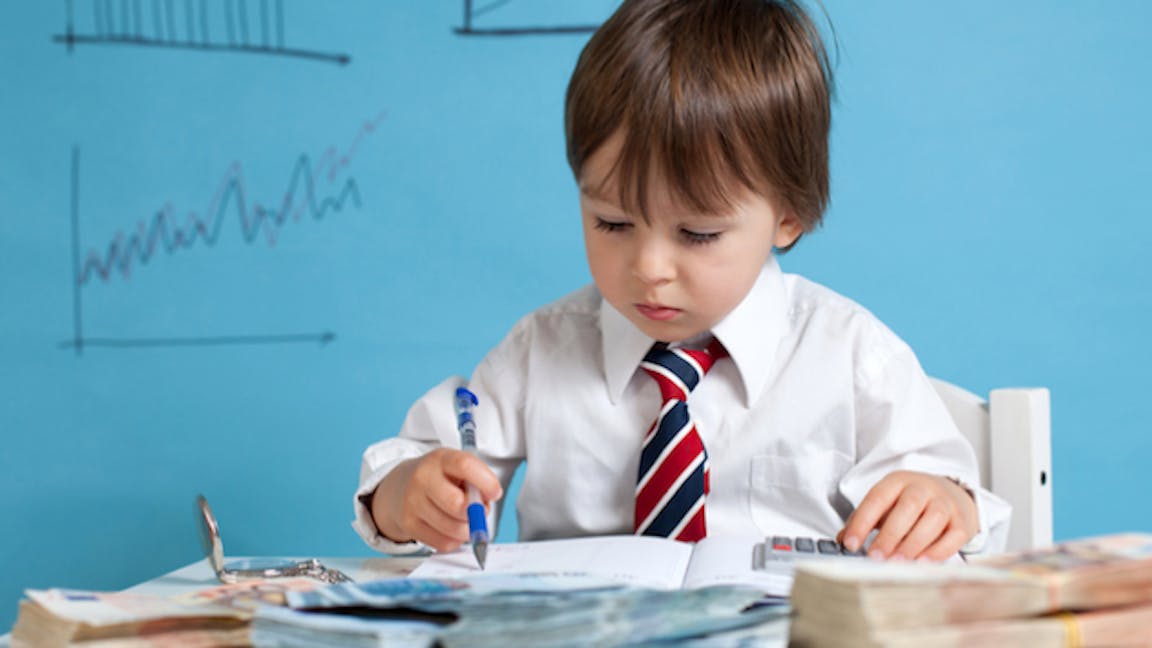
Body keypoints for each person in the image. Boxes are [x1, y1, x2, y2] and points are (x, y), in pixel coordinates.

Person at [353, 0, 1010, 562]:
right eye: (611, 223)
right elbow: (411, 468)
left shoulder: (851, 356)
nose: (649, 268)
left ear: (788, 216)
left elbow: (953, 503)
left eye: (697, 234)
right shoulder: (540, 351)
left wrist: (943, 504)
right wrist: (407, 494)